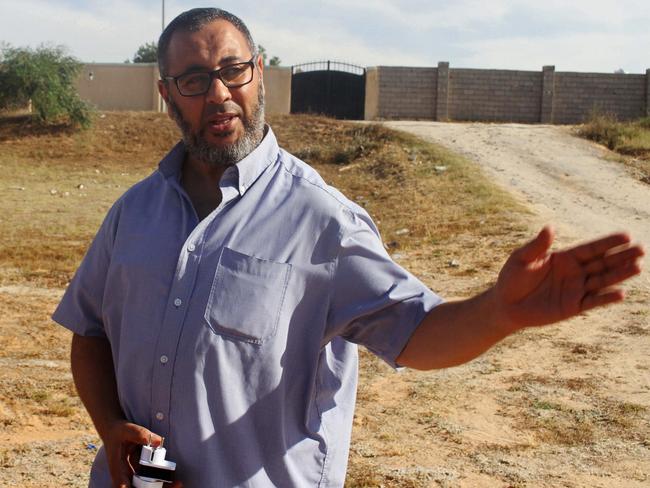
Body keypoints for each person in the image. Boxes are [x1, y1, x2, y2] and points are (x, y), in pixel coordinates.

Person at [52, 7, 644, 488]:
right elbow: (92, 331)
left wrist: (500, 311)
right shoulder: (134, 212)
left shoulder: (321, 220)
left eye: (235, 71)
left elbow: (416, 333)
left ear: (260, 73)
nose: (219, 93)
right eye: (194, 81)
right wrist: (109, 426)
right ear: (167, 93)